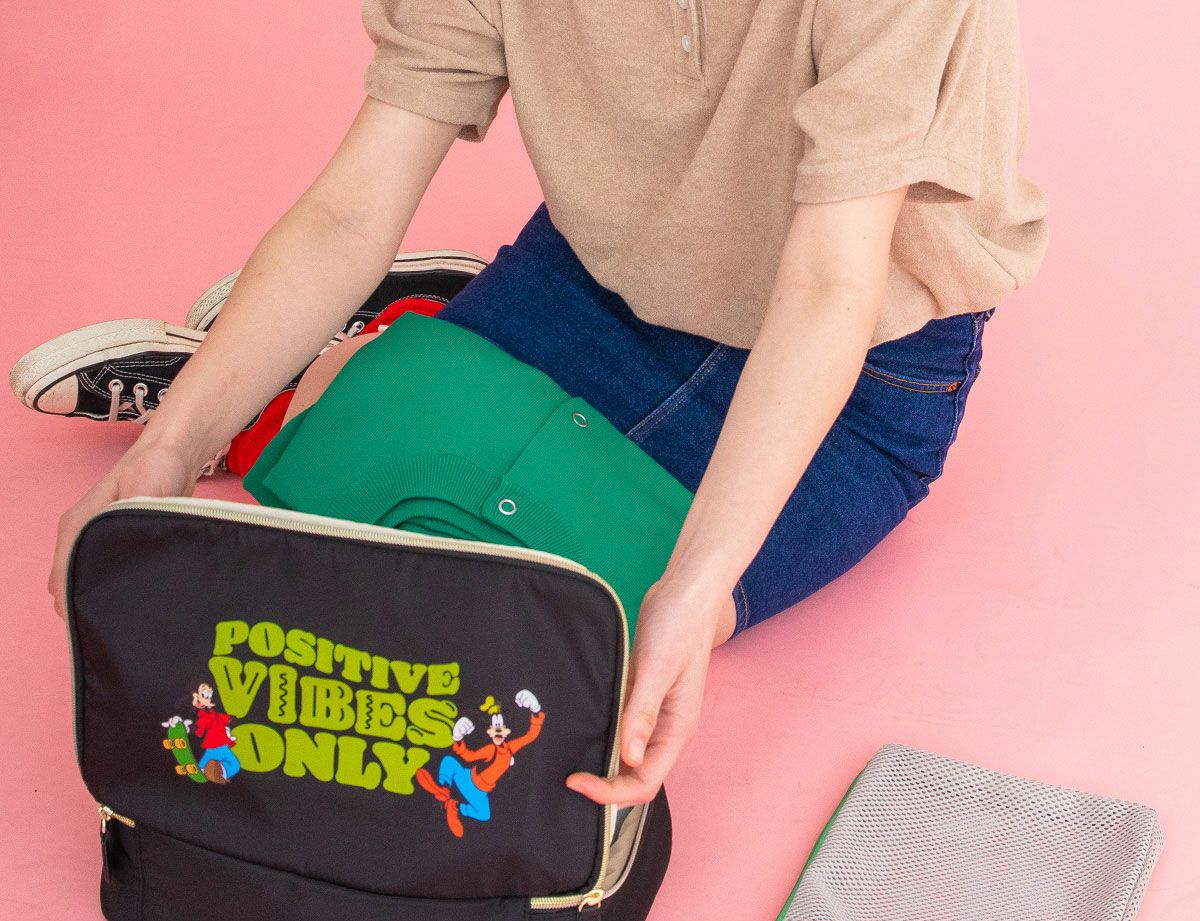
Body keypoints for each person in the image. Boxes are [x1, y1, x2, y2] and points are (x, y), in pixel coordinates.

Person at [30, 1, 1047, 810]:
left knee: (555, 641)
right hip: (602, 279)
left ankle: (383, 343)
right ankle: (306, 364)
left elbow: (829, 286)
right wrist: (170, 450)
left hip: (859, 355)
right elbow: (350, 209)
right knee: (348, 484)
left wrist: (694, 589)